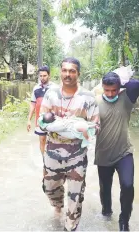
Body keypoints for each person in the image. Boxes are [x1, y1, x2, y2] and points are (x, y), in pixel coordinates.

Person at [39, 57, 100, 231]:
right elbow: (42, 122)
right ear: (60, 72)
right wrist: (43, 152)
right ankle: (57, 205)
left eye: (72, 71)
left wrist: (79, 128)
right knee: (49, 188)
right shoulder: (51, 94)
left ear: (78, 74)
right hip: (52, 154)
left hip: (77, 155)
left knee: (75, 197)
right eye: (65, 70)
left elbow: (96, 126)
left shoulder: (88, 97)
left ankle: (70, 227)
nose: (68, 74)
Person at [94, 66, 139, 231]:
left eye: (113, 90)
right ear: (102, 88)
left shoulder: (126, 100)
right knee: (105, 189)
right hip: (103, 155)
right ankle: (106, 213)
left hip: (124, 153)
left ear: (119, 88)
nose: (110, 94)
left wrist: (122, 81)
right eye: (106, 90)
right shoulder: (95, 102)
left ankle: (124, 221)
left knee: (128, 186)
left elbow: (136, 85)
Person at [27, 65, 56, 155]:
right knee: (42, 140)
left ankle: (53, 162)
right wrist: (29, 120)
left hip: (53, 120)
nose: (42, 78)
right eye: (41, 76)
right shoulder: (36, 88)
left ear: (49, 75)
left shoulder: (55, 88)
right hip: (40, 120)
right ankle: (45, 162)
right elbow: (32, 104)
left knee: (53, 141)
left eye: (44, 75)